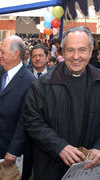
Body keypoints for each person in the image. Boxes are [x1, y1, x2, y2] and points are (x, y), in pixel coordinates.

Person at [22, 26, 100, 180]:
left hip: (92, 169)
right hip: (51, 168)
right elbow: (31, 121)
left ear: (90, 52)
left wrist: (99, 147)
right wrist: (59, 146)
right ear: (62, 52)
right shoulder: (42, 85)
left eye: (82, 50)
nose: (76, 56)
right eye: (70, 50)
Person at [0, 35, 35, 180]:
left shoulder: (30, 82)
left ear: (16, 54)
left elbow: (26, 121)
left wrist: (13, 150)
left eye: (2, 52)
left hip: (10, 151)